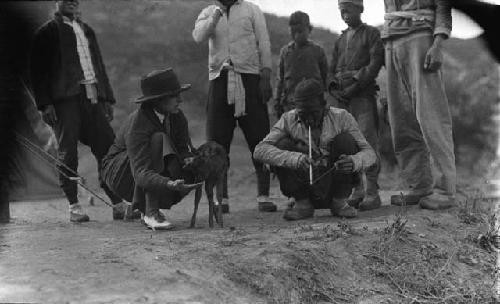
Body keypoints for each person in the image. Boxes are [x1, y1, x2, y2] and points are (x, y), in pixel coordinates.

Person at [30, 0, 126, 222]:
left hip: (91, 97)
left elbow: (98, 66)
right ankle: (74, 206)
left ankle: (119, 203)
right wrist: (45, 104)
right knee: (68, 152)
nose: (72, 2)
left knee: (108, 147)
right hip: (64, 100)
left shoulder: (86, 30)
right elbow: (38, 72)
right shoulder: (47, 33)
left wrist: (106, 98)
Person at [192, 0, 277, 213]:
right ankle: (222, 198)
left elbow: (264, 41)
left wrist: (265, 74)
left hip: (250, 78)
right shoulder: (208, 12)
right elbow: (198, 37)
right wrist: (216, 16)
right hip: (219, 80)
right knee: (217, 141)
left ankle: (264, 195)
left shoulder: (252, 10)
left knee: (259, 138)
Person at [254, 79, 377, 221]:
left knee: (345, 140)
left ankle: (339, 202)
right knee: (282, 144)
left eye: (314, 113)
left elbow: (370, 154)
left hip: (334, 184)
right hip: (304, 187)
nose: (310, 120)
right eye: (303, 115)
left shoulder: (342, 117)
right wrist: (294, 158)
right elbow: (260, 150)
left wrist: (354, 161)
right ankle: (303, 204)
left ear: (325, 107)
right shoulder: (288, 119)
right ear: (295, 108)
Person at [102, 69, 201, 230]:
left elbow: (182, 149)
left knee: (192, 164)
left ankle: (143, 207)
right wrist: (168, 183)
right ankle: (151, 212)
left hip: (147, 169)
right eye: (174, 95)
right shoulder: (138, 123)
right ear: (158, 100)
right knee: (158, 140)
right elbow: (141, 173)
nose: (180, 100)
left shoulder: (177, 116)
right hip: (119, 172)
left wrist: (189, 159)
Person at [383, 0, 456, 209]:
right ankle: (419, 185)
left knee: (431, 116)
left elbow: (443, 5)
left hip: (420, 37)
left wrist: (438, 44)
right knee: (401, 120)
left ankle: (445, 190)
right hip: (391, 39)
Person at [328, 0, 384, 211]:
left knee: (367, 142)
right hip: (344, 101)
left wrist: (355, 84)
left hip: (363, 98)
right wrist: (334, 88)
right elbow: (331, 69)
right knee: (348, 144)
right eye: (341, 11)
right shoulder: (340, 39)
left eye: (348, 10)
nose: (345, 15)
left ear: (360, 9)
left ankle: (372, 192)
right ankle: (357, 189)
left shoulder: (371, 34)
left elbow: (374, 64)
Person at [275, 11, 328, 118]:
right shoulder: (285, 52)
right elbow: (280, 80)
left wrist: (324, 101)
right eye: (293, 32)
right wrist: (277, 101)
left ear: (309, 30)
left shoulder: (318, 51)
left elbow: (325, 77)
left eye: (300, 31)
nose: (296, 35)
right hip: (290, 104)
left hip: (313, 105)